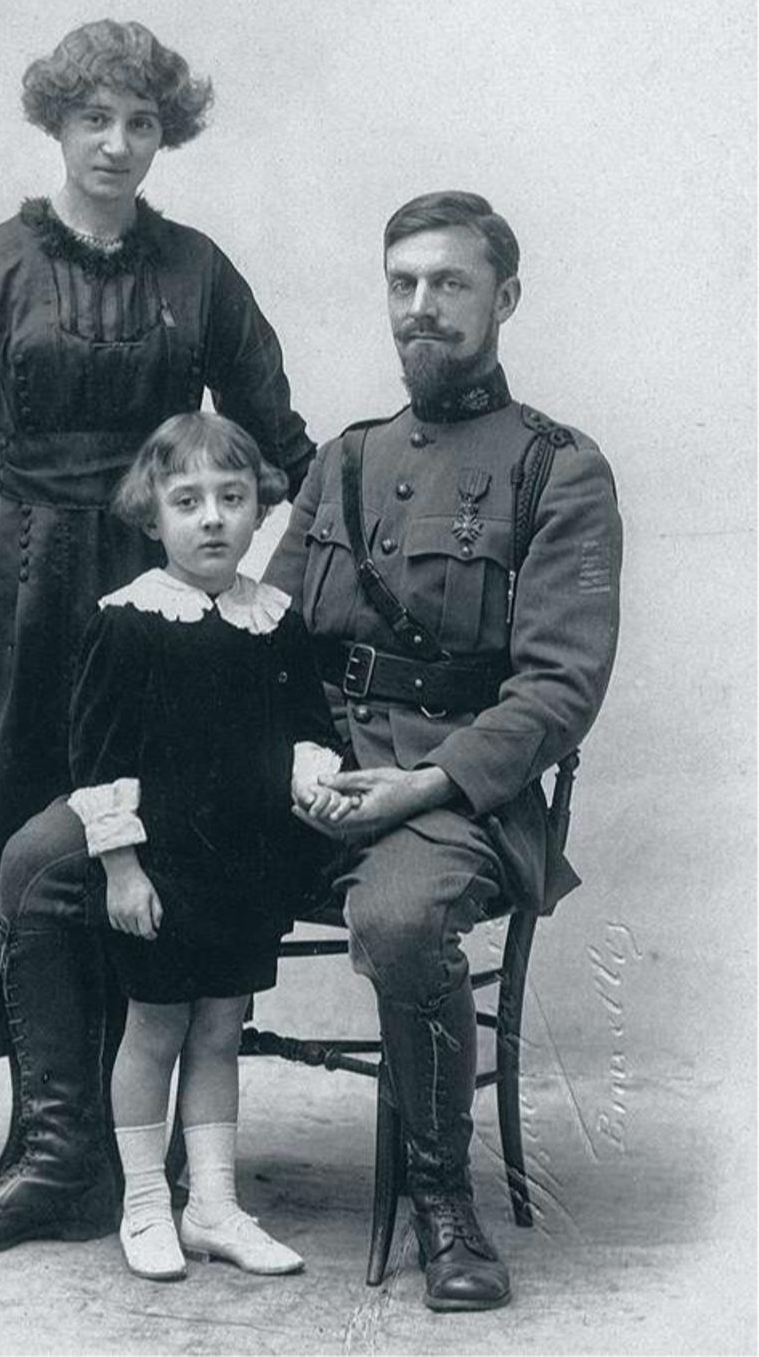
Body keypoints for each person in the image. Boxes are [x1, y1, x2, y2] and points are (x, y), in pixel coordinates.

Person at [0, 20, 315, 1239]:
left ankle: (141, 1157)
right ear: (56, 125)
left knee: (147, 842)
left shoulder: (198, 272)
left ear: (163, 133)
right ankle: (49, 1148)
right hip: (11, 593)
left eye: (141, 122)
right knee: (21, 852)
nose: (118, 144)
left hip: (154, 591)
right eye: (95, 120)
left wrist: (224, 567)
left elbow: (276, 441)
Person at [264, 191, 622, 1311]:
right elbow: (262, 643)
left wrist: (426, 781)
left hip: (451, 795)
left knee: (404, 917)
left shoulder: (555, 468)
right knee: (55, 859)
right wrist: (290, 759)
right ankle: (90, 1161)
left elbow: (560, 687)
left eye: (448, 284)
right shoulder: (345, 457)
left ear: (503, 298)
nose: (420, 308)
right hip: (315, 779)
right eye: (402, 284)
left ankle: (441, 1202)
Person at [0, 415, 349, 1269]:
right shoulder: (129, 619)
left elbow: (305, 727)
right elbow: (99, 759)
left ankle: (213, 1207)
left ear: (261, 510)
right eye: (188, 502)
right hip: (162, 869)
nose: (213, 518)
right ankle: (146, 1203)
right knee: (154, 1029)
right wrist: (120, 867)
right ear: (153, 517)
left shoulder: (276, 620)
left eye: (232, 498)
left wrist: (313, 777)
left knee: (221, 1029)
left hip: (246, 866)